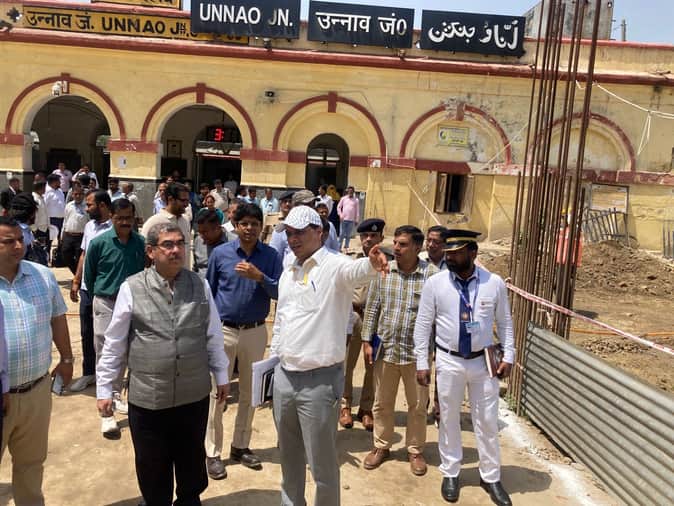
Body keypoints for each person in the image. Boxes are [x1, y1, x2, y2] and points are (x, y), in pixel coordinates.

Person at [96, 223, 230, 506]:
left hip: (193, 395)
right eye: (168, 245)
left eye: (180, 243)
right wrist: (105, 389)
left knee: (191, 461)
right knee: (152, 466)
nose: (176, 250)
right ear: (150, 251)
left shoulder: (200, 284)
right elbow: (115, 343)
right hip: (149, 399)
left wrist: (221, 374)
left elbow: (213, 335)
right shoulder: (132, 288)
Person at [270, 205, 389, 506]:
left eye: (300, 232)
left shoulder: (335, 266)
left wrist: (371, 264)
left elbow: (356, 271)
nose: (293, 239)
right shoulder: (289, 270)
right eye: (289, 233)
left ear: (319, 232)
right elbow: (281, 320)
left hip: (319, 383)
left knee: (321, 464)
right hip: (284, 378)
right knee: (289, 458)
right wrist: (273, 362)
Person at [413, 229, 515, 506]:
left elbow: (505, 322)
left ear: (473, 252)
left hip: (483, 361)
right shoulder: (436, 284)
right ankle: (451, 472)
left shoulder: (493, 283)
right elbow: (423, 325)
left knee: (487, 420)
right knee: (448, 417)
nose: (450, 258)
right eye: (449, 253)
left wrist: (509, 355)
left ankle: (490, 476)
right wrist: (422, 362)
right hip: (449, 360)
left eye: (457, 253)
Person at [205, 202, 282, 479]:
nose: (249, 228)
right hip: (223, 331)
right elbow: (209, 293)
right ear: (236, 226)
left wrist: (259, 277)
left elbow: (280, 292)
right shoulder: (221, 254)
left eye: (255, 224)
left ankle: (240, 445)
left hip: (255, 331)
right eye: (244, 223)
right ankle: (212, 452)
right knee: (217, 392)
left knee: (251, 392)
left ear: (262, 227)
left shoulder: (271, 256)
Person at [0, 216, 73, 505]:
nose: (19, 246)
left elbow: (58, 318)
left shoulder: (42, 276)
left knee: (31, 465)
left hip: (36, 391)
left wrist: (66, 358)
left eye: (21, 239)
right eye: (9, 242)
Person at [361, 225, 438, 476]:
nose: (396, 248)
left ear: (417, 247)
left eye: (403, 244)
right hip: (386, 350)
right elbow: (372, 308)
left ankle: (415, 450)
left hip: (417, 355)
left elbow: (440, 314)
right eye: (395, 242)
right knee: (382, 403)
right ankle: (381, 446)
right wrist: (366, 341)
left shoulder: (432, 276)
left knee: (417, 405)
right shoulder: (384, 271)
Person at [84, 198, 145, 438]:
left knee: (127, 351)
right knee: (106, 353)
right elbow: (90, 275)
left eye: (128, 218)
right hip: (106, 302)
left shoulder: (140, 243)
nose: (124, 222)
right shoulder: (99, 243)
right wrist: (100, 296)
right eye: (120, 218)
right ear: (111, 217)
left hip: (132, 304)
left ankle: (116, 394)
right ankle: (106, 414)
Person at [340, 218, 385, 431]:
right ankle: (345, 406)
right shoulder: (349, 260)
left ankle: (366, 408)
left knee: (372, 366)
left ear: (381, 238)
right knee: (346, 363)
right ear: (360, 238)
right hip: (353, 315)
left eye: (373, 236)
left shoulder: (388, 262)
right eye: (365, 235)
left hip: (376, 319)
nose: (368, 239)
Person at [68, 191, 112, 393]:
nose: (86, 209)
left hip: (106, 290)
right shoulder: (89, 226)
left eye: (89, 205)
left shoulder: (115, 228)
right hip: (87, 289)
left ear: (102, 205)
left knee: (108, 336)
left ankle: (109, 378)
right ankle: (89, 373)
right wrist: (77, 280)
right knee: (87, 332)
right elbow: (84, 255)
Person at [142, 183, 191, 268]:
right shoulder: (154, 222)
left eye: (188, 201)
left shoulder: (185, 220)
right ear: (171, 199)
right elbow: (144, 252)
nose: (186, 204)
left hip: (183, 273)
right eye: (183, 200)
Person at [60, 185, 88, 275]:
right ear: (72, 195)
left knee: (79, 258)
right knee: (65, 255)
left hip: (81, 237)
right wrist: (62, 235)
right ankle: (77, 275)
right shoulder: (69, 205)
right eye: (76, 194)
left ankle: (78, 277)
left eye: (80, 194)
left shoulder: (87, 207)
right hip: (68, 235)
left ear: (83, 195)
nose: (78, 196)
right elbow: (65, 220)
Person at [193, 210, 229, 279]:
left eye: (204, 232)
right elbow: (196, 268)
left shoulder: (234, 243)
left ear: (218, 228)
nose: (202, 236)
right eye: (200, 232)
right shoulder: (198, 240)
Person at [268, 190, 295, 262]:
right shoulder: (270, 217)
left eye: (290, 201)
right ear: (280, 204)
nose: (287, 204)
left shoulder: (297, 221)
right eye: (285, 201)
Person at [44, 173, 66, 255]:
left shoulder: (60, 191)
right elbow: (44, 207)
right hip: (52, 220)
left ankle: (58, 257)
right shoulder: (47, 192)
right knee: (50, 240)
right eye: (59, 181)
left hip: (62, 219)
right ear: (53, 182)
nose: (60, 182)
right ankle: (47, 256)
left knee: (61, 239)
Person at [337, 186, 359, 251]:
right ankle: (339, 247)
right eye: (349, 191)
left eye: (351, 191)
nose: (350, 192)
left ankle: (346, 247)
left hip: (351, 220)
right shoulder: (343, 198)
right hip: (343, 219)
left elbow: (357, 210)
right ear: (347, 191)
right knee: (341, 234)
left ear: (353, 192)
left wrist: (357, 219)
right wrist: (340, 215)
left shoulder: (356, 200)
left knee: (348, 235)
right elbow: (338, 207)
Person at [31, 180, 49, 252]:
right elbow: (33, 216)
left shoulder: (41, 197)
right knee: (38, 249)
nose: (45, 189)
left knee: (43, 248)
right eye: (44, 188)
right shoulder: (35, 199)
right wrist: (34, 229)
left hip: (44, 228)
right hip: (38, 230)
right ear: (40, 188)